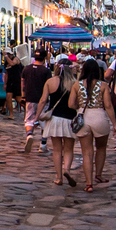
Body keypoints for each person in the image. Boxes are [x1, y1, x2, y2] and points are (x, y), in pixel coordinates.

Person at [40, 57, 80, 187]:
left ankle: (58, 177)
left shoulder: (50, 82)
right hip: (70, 119)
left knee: (57, 149)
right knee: (69, 149)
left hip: (55, 118)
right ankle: (67, 170)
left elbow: (43, 100)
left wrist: (36, 116)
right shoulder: (75, 83)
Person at [75, 58, 113, 188]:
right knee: (101, 148)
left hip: (83, 117)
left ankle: (88, 183)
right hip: (99, 116)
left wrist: (79, 105)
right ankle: (98, 175)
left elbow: (70, 104)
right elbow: (108, 105)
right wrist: (115, 124)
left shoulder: (77, 85)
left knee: (87, 152)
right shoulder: (103, 86)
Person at [21, 54, 52, 155]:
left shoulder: (27, 69)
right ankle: (43, 145)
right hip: (42, 98)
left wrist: (23, 95)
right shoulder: (46, 71)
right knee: (44, 121)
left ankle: (29, 135)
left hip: (30, 97)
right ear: (44, 59)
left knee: (29, 119)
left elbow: (23, 82)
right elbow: (49, 84)